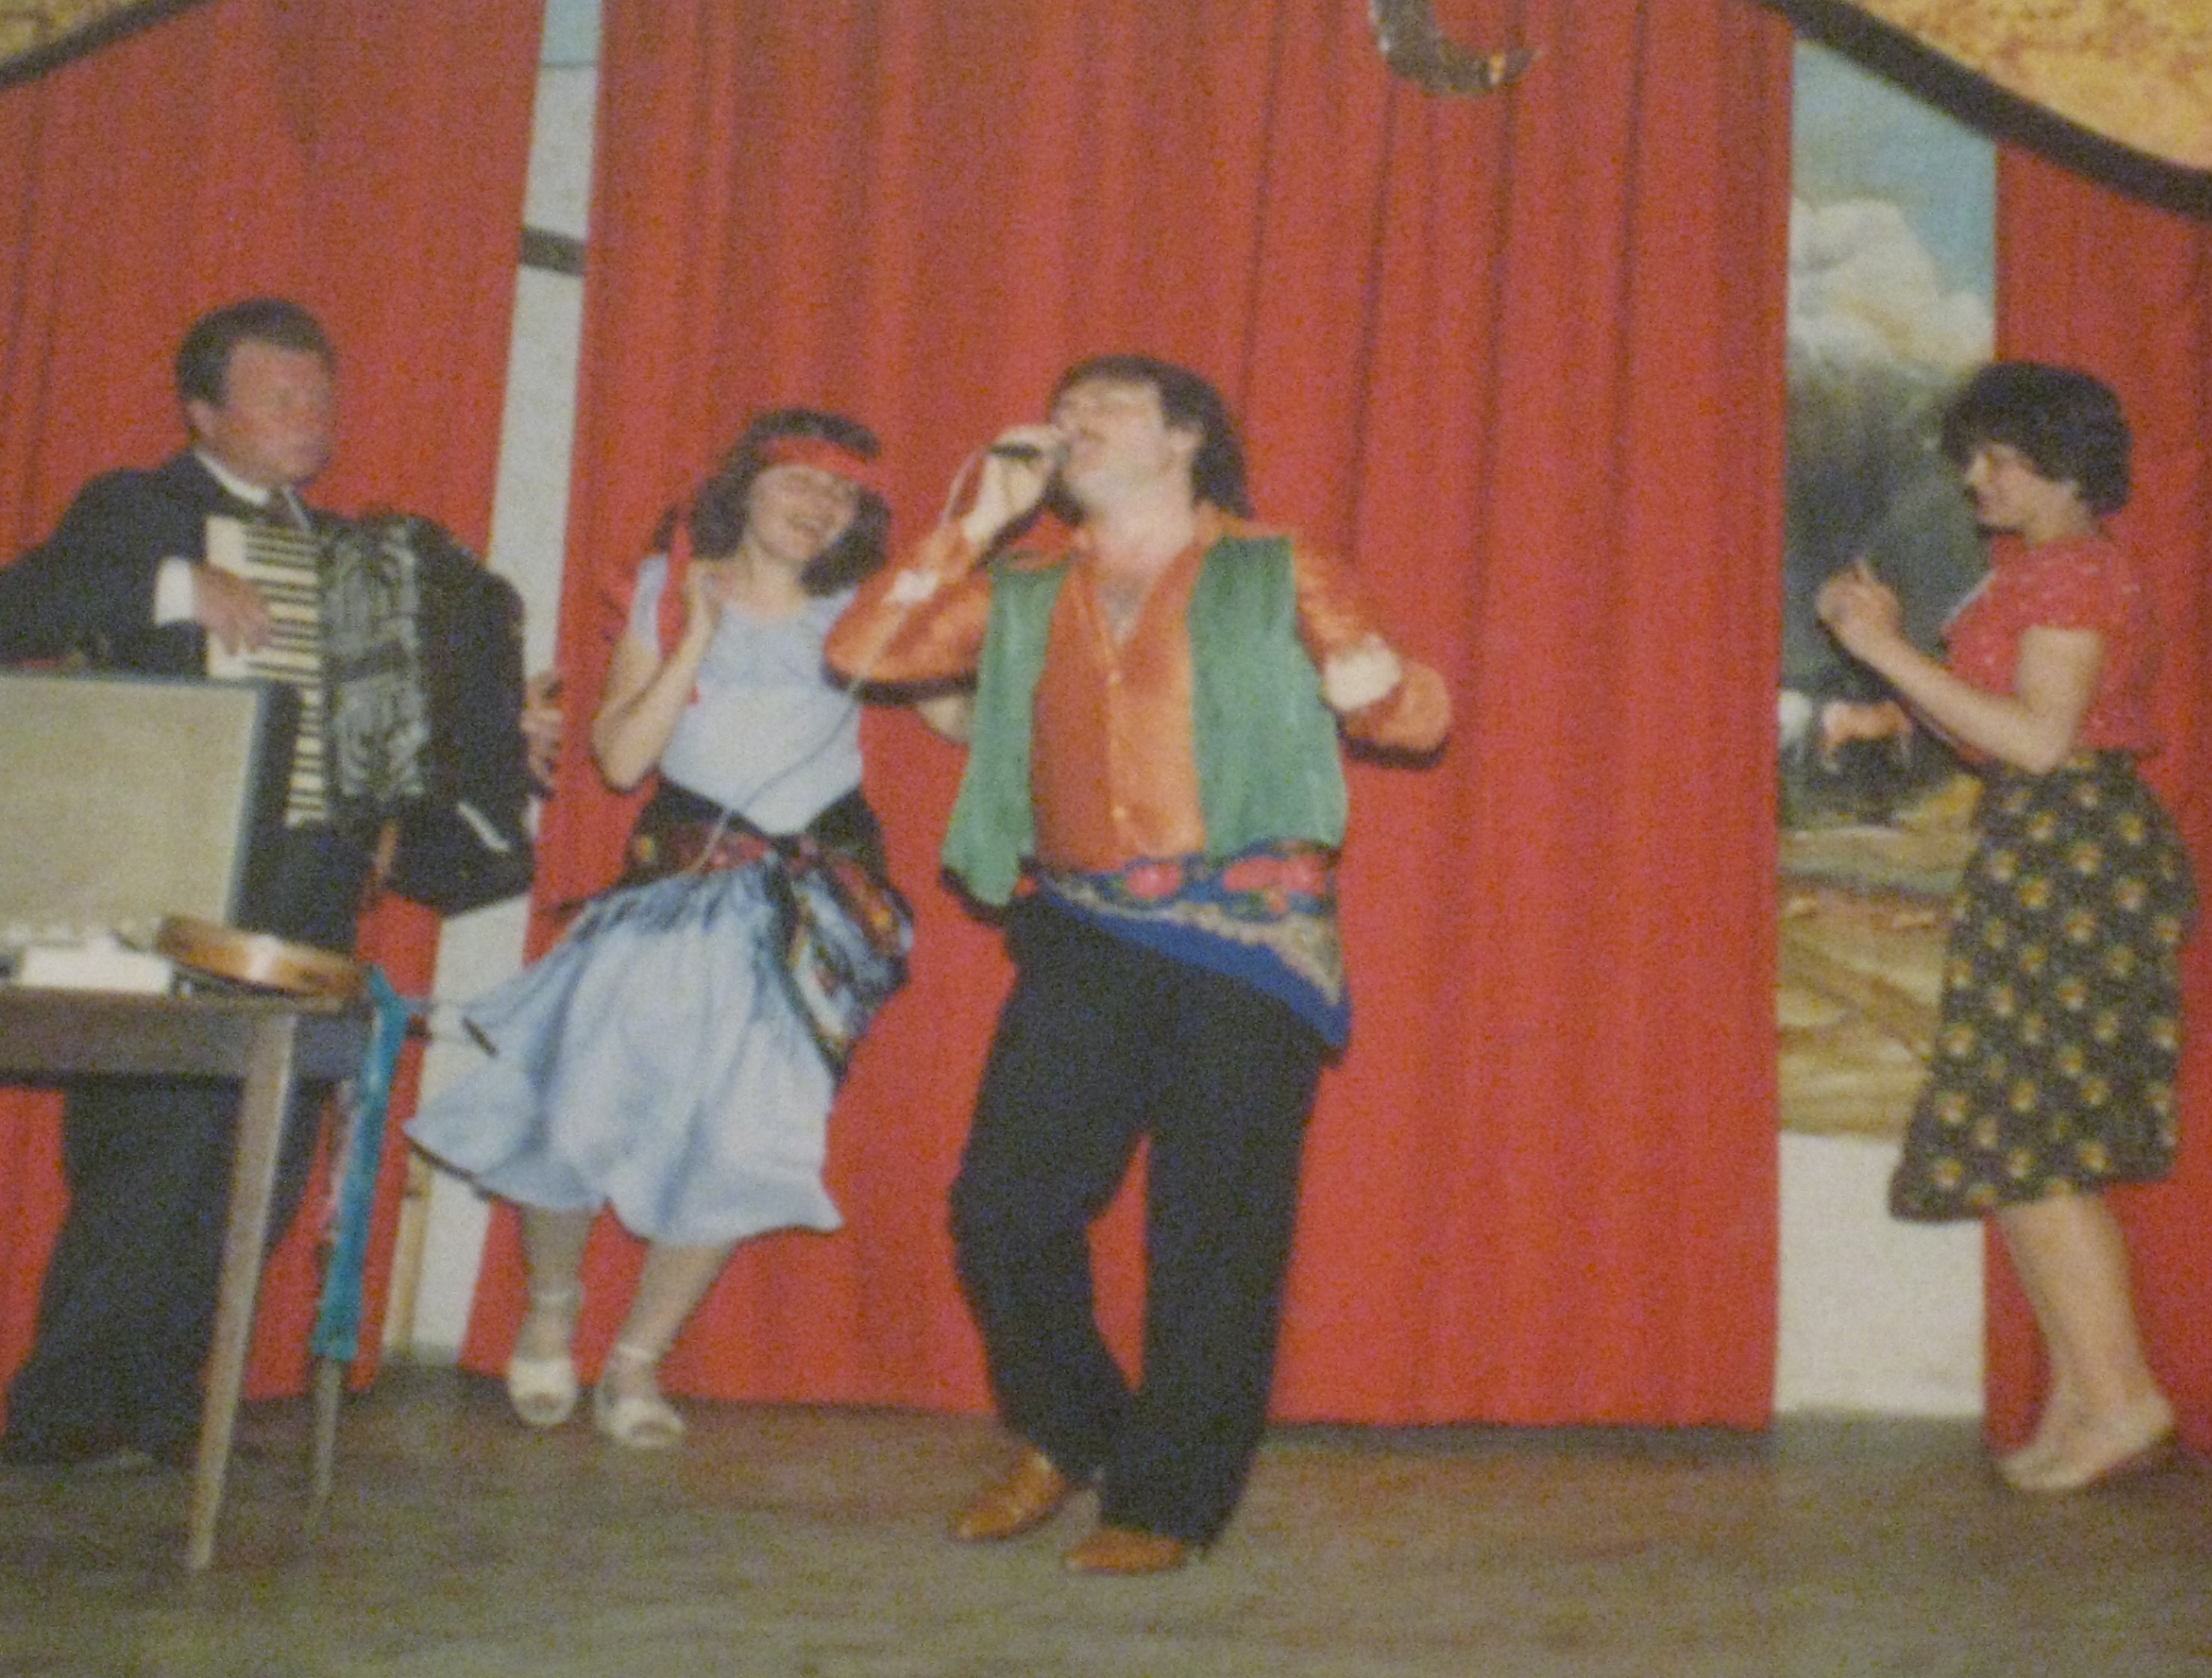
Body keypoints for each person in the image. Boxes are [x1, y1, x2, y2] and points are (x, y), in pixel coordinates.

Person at [827, 355, 1450, 1573]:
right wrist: (973, 524)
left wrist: (1379, 690)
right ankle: (1076, 1432)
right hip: (1086, 927)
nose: (1072, 425)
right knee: (1005, 1208)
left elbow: (1420, 721)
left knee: (1213, 1231)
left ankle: (1168, 1500)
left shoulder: (1278, 567)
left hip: (1249, 939)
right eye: (1062, 410)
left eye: (1105, 407)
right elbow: (868, 650)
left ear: (1184, 438)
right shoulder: (1023, 584)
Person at [408, 410, 911, 1449]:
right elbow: (623, 760)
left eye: (841, 495)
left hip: (803, 914)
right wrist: (696, 637)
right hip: (675, 895)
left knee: (744, 1139)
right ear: (745, 489)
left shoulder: (863, 615)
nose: (819, 505)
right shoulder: (665, 589)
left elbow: (953, 708)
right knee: (571, 1109)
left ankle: (638, 1361)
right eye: (798, 481)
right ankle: (553, 1311)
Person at [0, 299, 377, 1469]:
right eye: (280, 395)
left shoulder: (356, 555)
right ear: (203, 413)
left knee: (259, 1170)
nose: (309, 415)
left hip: (308, 888)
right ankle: (64, 1414)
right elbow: (23, 608)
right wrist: (176, 588)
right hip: (174, 879)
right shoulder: (138, 510)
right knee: (150, 1154)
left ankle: (167, 1405)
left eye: (320, 395)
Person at [1814, 360, 2196, 1495]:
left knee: (2034, 1136)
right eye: (1972, 457)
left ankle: (2123, 1400)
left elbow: (2035, 740)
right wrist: (1895, 680)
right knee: (2026, 1136)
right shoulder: (2039, 570)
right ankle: (2089, 1394)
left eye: (2002, 458)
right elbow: (2003, 737)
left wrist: (1884, 651)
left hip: (2072, 850)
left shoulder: (2071, 573)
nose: (1978, 478)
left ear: (2067, 467)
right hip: (2046, 844)